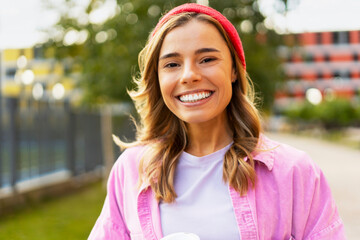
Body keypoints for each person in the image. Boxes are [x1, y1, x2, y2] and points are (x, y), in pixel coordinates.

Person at [88, 3, 345, 240]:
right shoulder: (131, 170)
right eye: (172, 64)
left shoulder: (294, 171)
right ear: (157, 78)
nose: (189, 75)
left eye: (207, 59)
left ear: (234, 70)